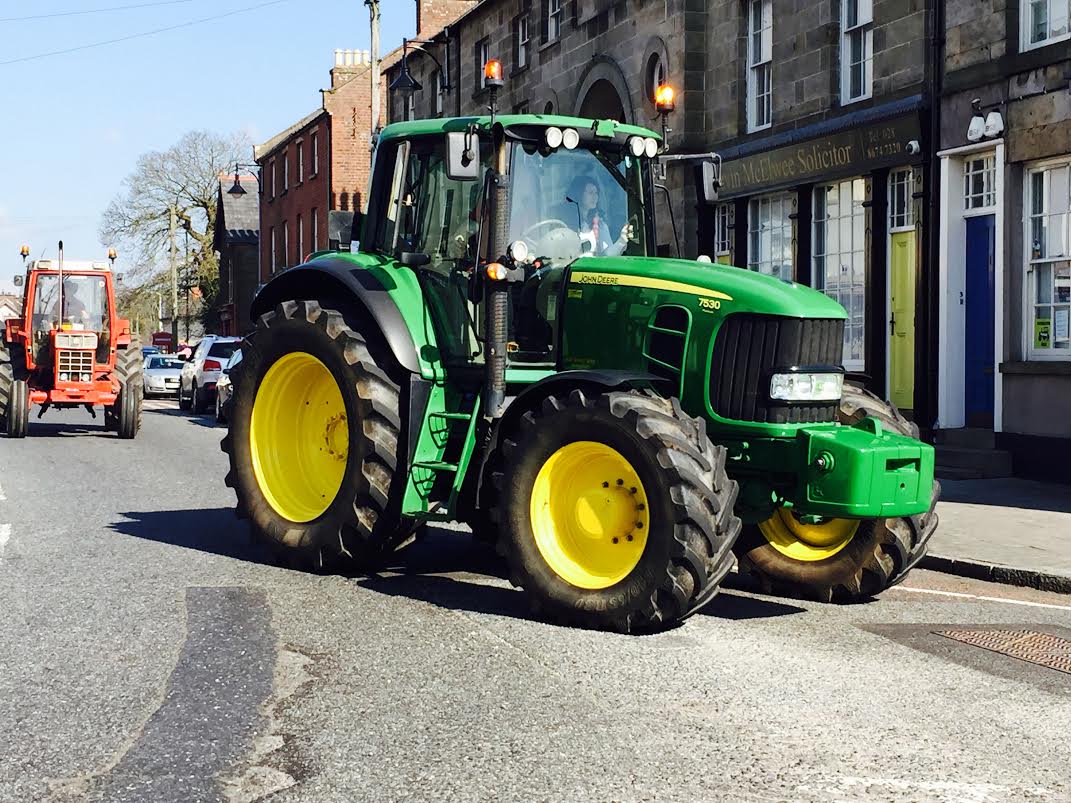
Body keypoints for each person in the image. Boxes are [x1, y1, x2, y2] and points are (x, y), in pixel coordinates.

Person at [562, 175, 634, 257]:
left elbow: (607, 255)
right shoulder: (564, 223)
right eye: (590, 193)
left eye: (596, 193)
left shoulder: (600, 225)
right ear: (578, 194)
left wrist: (621, 240)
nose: (595, 196)